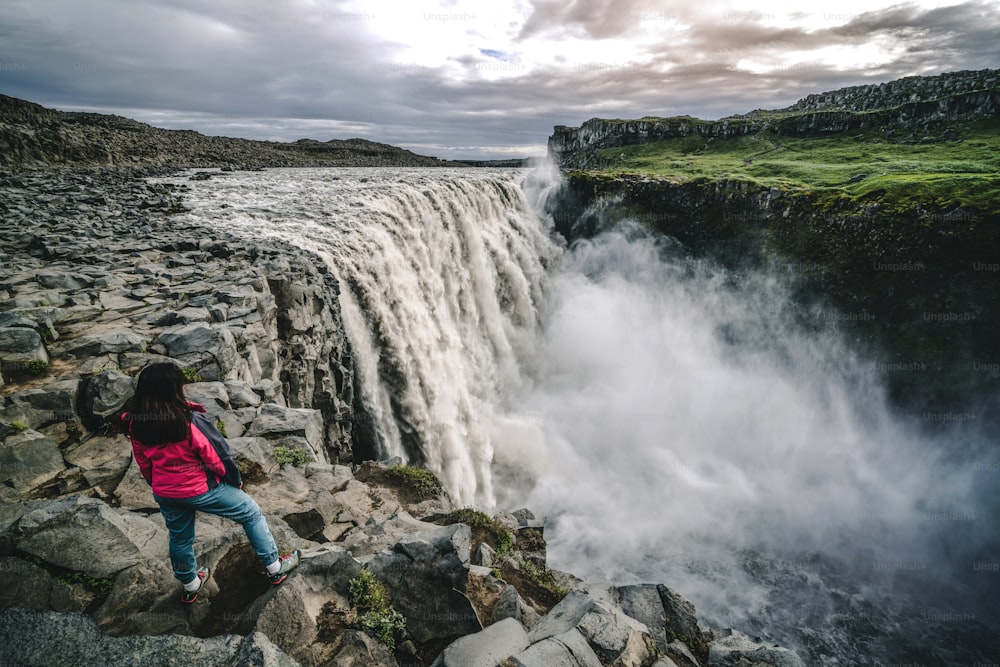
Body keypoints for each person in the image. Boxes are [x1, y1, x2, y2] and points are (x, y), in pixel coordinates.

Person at [122, 362, 300, 604]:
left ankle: (190, 583)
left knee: (180, 538)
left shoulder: (136, 423)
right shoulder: (188, 421)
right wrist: (234, 481)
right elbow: (217, 455)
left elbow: (143, 462)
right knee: (251, 513)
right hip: (201, 489)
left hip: (166, 491)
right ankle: (274, 566)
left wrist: (159, 485)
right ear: (174, 389)